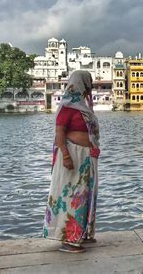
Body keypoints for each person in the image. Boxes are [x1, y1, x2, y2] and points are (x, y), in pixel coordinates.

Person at [43, 70, 101, 253]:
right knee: (71, 197)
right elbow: (59, 133)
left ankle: (81, 234)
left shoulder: (83, 106)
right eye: (88, 83)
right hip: (72, 157)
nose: (89, 88)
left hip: (85, 158)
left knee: (85, 195)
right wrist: (66, 156)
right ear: (80, 83)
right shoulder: (68, 106)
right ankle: (68, 240)